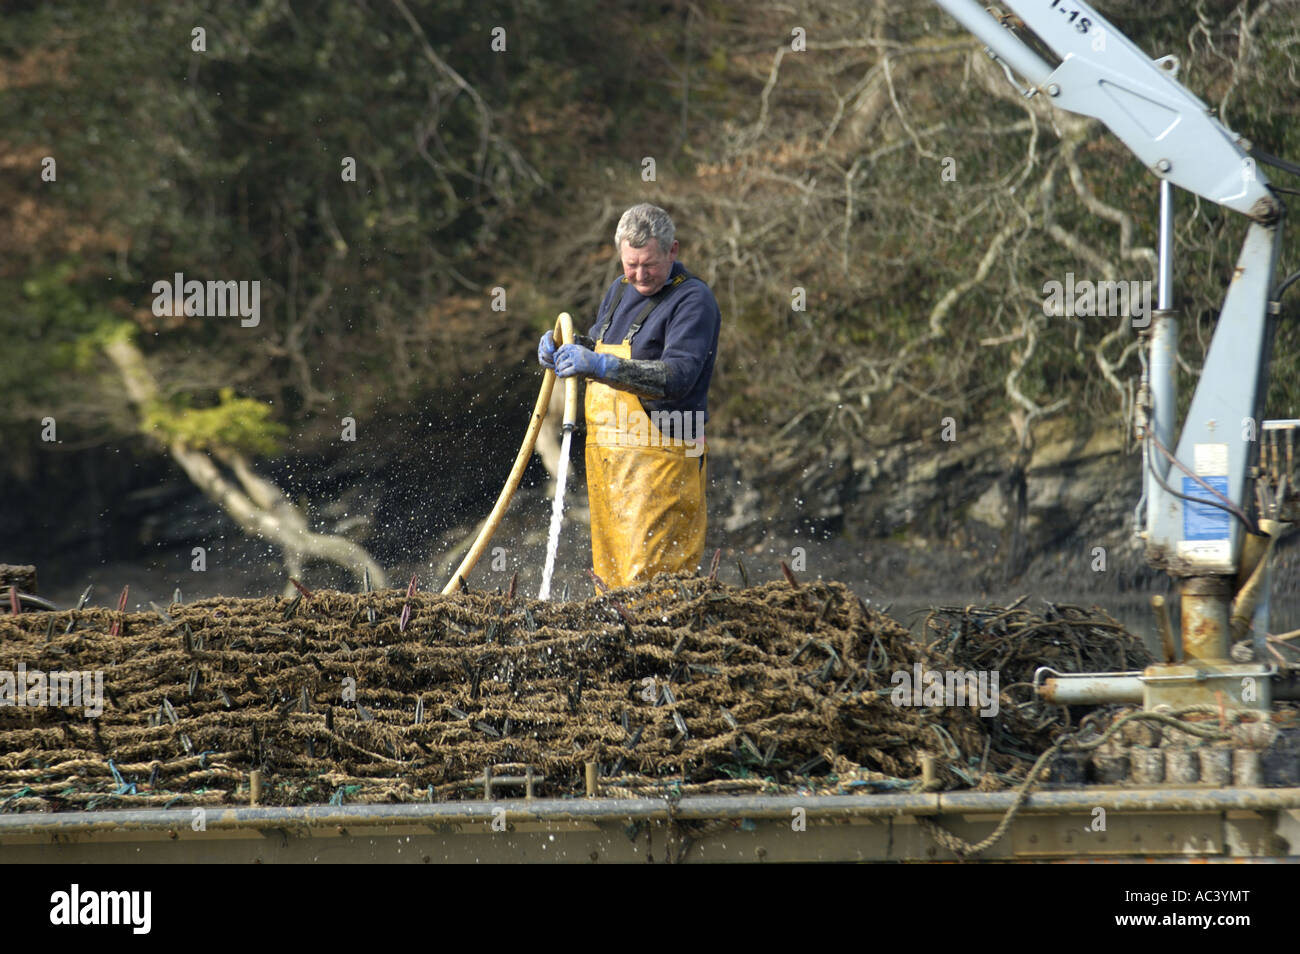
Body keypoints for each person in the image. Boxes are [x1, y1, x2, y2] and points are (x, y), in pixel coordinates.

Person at [538, 203, 721, 589]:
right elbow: (604, 347)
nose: (639, 274)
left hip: (665, 458)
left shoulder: (693, 300)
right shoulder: (619, 291)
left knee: (652, 584)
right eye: (630, 263)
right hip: (610, 463)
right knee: (612, 581)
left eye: (649, 264)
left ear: (673, 251)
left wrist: (601, 367)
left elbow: (677, 377)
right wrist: (565, 347)